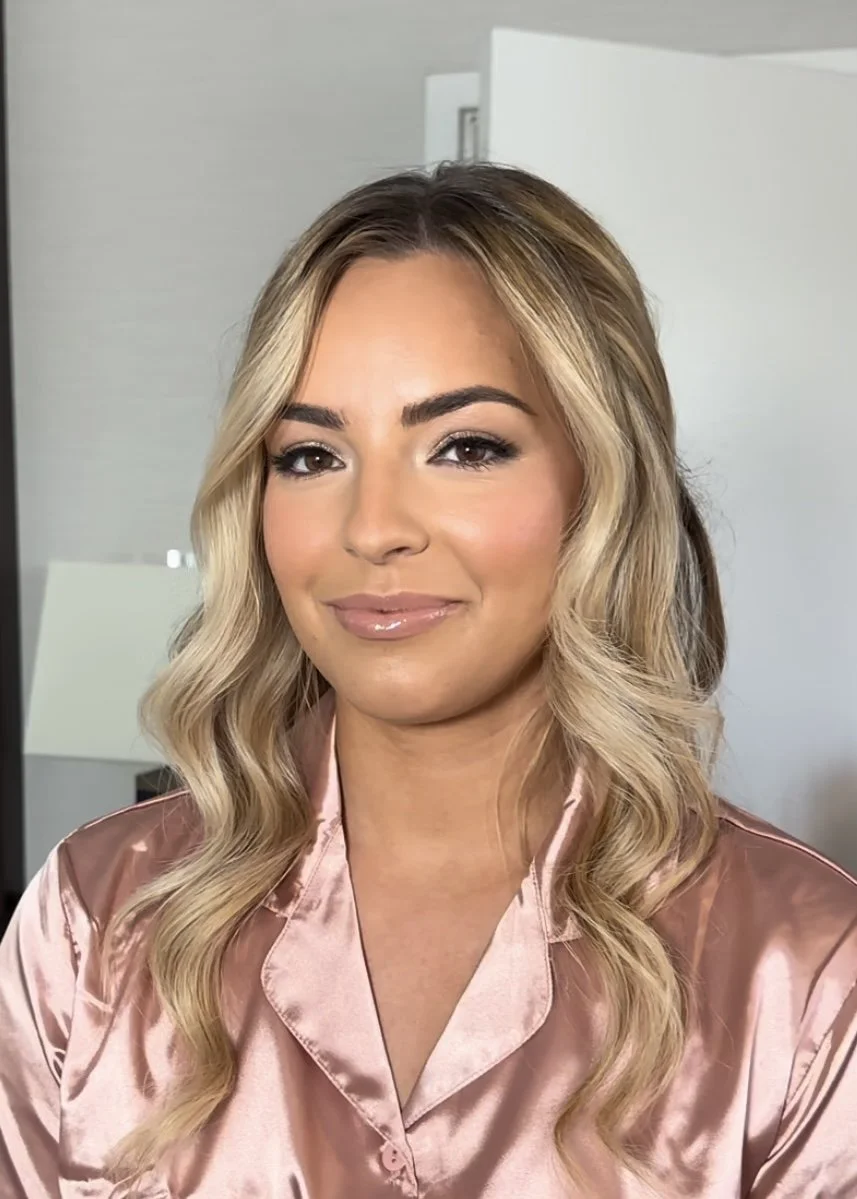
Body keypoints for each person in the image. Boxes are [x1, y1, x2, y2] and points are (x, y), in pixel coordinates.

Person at [1, 162, 856, 1199]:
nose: (371, 529)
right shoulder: (98, 918)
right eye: (311, 456)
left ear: (601, 480)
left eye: (463, 446)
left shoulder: (801, 967)